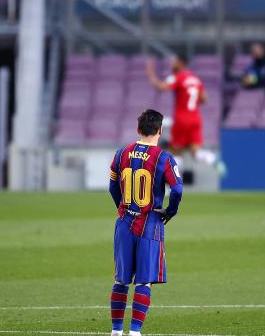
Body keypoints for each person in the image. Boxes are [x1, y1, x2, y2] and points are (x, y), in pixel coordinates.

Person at [108, 109, 183, 336]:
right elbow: (177, 188)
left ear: (138, 129)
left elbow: (112, 187)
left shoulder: (121, 154)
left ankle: (116, 331)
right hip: (149, 223)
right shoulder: (163, 158)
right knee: (144, 281)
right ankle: (135, 332)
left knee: (121, 280)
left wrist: (123, 209)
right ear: (160, 130)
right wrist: (170, 211)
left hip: (124, 222)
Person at [146, 54, 224, 174]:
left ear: (181, 63)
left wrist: (150, 74)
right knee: (195, 152)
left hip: (182, 119)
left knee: (175, 152)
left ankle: (171, 184)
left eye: (174, 62)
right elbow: (204, 99)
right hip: (196, 118)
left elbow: (162, 87)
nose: (172, 64)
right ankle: (213, 159)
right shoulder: (195, 79)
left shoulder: (177, 77)